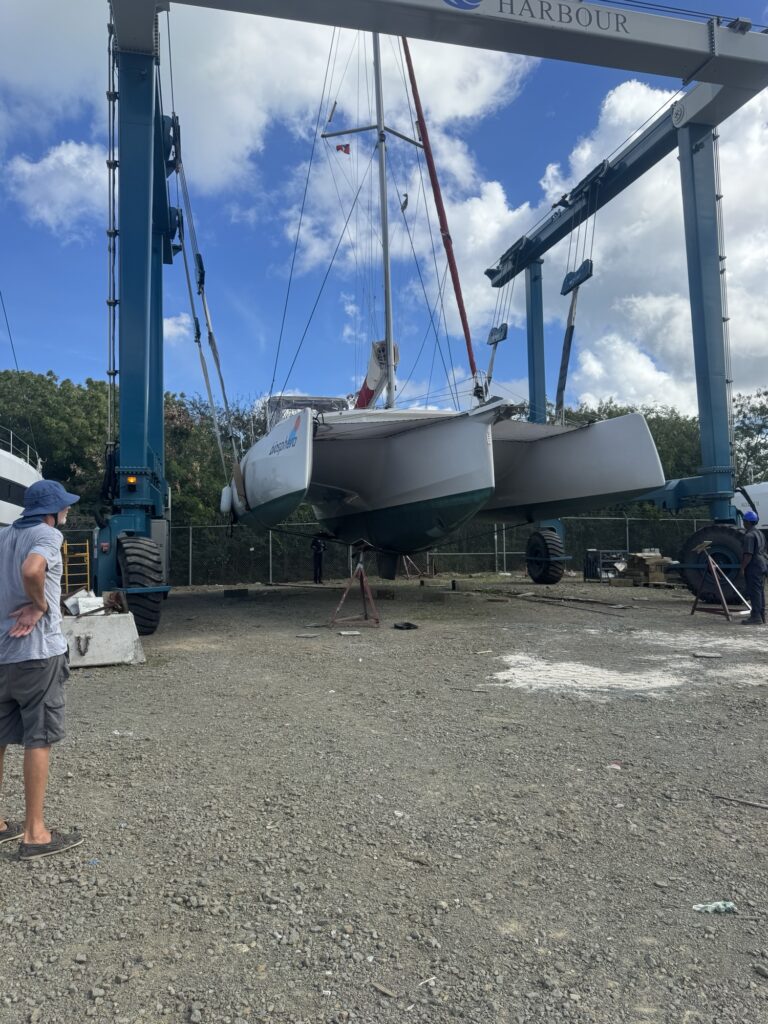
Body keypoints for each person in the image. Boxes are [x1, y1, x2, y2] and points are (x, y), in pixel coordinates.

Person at [0, 479, 84, 859]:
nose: (67, 510)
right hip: (37, 655)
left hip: (2, 653)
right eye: (64, 505)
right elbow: (34, 570)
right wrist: (41, 605)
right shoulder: (47, 535)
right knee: (39, 736)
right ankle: (35, 833)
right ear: (51, 511)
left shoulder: (4, 537)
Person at [740, 509, 767, 626]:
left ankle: (755, 617)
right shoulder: (760, 533)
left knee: (754, 591)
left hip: (754, 566)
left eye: (744, 521)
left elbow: (748, 555)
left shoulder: (749, 536)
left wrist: (742, 568)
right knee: (760, 591)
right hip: (762, 565)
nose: (743, 523)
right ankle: (761, 615)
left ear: (747, 522)